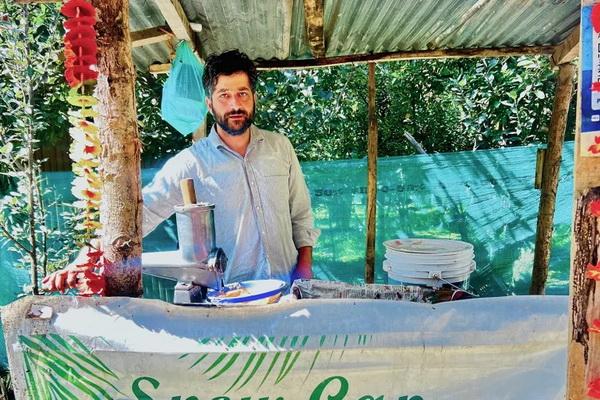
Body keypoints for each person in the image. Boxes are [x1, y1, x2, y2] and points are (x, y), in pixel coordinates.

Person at [43, 49, 319, 292]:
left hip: (288, 293)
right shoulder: (190, 164)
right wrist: (84, 258)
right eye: (224, 95)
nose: (235, 104)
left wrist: (304, 270)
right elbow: (142, 215)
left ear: (253, 98)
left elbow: (301, 215)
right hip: (230, 301)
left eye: (242, 94)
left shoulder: (280, 148)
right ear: (209, 104)